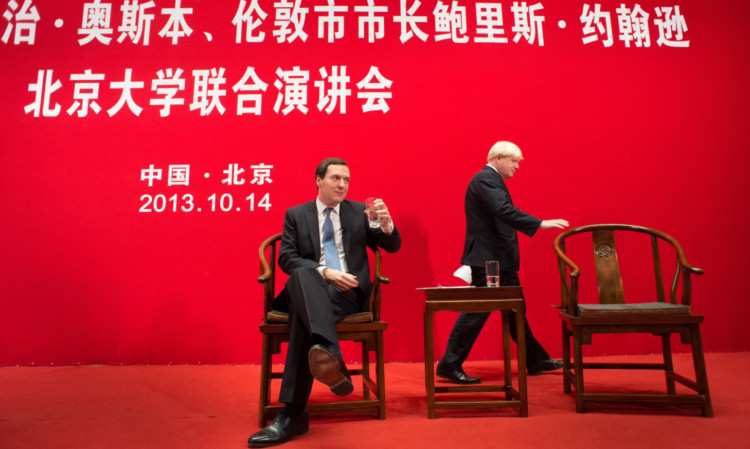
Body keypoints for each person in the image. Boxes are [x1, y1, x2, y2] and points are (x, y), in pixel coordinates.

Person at [248, 158, 401, 447]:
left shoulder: (359, 211)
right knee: (304, 275)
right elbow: (286, 258)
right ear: (318, 180)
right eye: (336, 178)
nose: (343, 184)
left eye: (347, 179)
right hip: (314, 288)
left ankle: (292, 415)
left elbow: (391, 246)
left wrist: (386, 224)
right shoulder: (296, 214)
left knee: (301, 310)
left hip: (347, 294)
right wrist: (325, 272)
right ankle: (329, 350)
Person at [436, 141, 569, 385]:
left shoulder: (490, 179)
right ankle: (449, 364)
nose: (518, 167)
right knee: (478, 311)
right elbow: (504, 210)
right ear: (498, 158)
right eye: (514, 161)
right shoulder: (486, 179)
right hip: (490, 260)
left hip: (498, 260)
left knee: (516, 308)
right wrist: (540, 223)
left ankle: (536, 359)